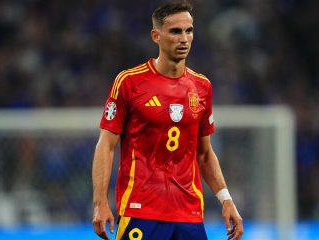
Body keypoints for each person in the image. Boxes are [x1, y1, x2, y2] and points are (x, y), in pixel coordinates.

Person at [92, 1, 244, 239]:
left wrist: (226, 199)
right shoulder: (129, 82)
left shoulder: (202, 87)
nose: (184, 38)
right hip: (141, 209)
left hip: (189, 213)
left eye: (189, 30)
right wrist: (100, 202)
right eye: (175, 31)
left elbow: (204, 154)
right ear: (156, 36)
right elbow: (106, 145)